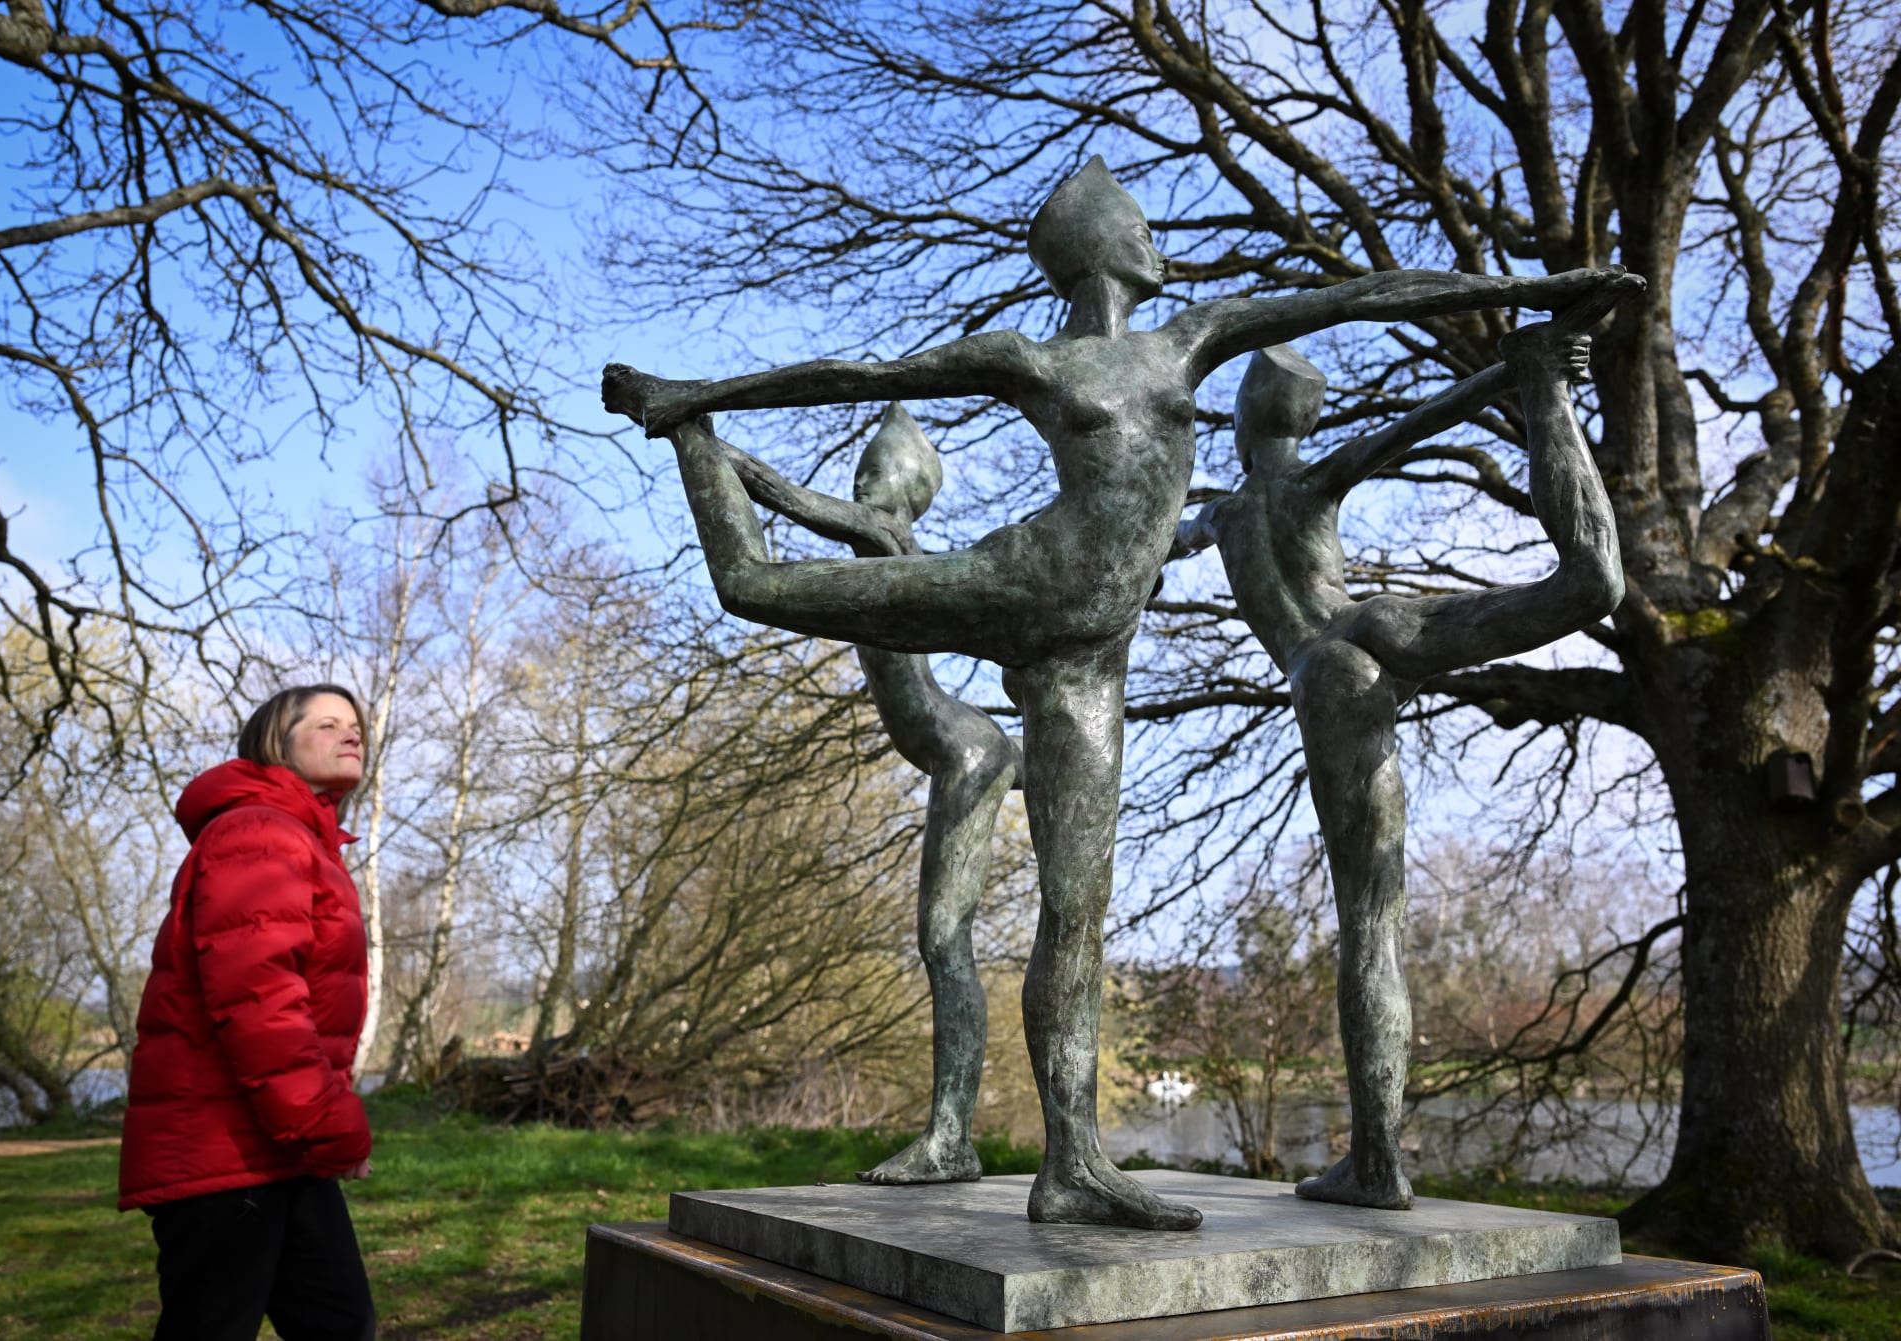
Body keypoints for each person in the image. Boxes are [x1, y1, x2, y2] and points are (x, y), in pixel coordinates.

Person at [605, 156, 1629, 1229]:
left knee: (1074, 905)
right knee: (758, 586)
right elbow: (859, 374)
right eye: (1140, 229)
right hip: (1024, 581)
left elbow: (1362, 294)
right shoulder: (1031, 358)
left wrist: (1539, 291)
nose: (1157, 246)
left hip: (1091, 657)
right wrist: (694, 401)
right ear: (1100, 244)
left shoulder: (1191, 338)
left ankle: (1073, 1162)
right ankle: (693, 447)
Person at [1169, 284, 1639, 1209]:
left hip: (1328, 669)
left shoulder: (1224, 513)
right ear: (1308, 419)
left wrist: (1154, 550)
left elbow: (1170, 536)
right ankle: (1550, 396)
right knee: (1591, 585)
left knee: (1370, 923)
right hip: (1379, 621)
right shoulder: (1315, 478)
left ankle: (1377, 1164)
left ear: (1242, 429)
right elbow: (1418, 423)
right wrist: (1520, 376)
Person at [714, 403, 1023, 1185]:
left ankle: (951, 1137)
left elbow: (791, 498)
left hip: (966, 750)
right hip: (968, 743)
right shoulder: (890, 545)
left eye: (875, 470)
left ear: (908, 491)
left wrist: (713, 446)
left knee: (944, 939)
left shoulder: (884, 533)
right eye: (861, 469)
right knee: (943, 941)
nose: (861, 482)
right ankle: (950, 1134)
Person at [119, 685, 377, 1340]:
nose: (352, 734)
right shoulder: (259, 831)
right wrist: (329, 1122)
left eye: (355, 725)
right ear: (275, 742)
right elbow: (260, 999)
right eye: (328, 724)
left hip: (278, 1145)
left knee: (341, 1324)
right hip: (223, 1147)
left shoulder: (299, 839)